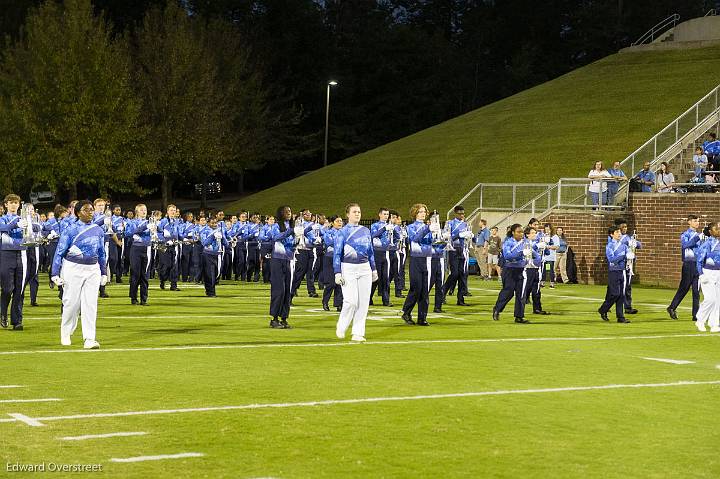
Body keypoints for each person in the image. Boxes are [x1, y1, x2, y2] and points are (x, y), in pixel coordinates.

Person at [51, 200, 106, 348]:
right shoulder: (70, 229)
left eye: (91, 210)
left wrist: (104, 272)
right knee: (71, 303)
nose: (90, 212)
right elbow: (60, 252)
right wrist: (54, 273)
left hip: (93, 269)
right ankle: (66, 331)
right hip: (73, 268)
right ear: (77, 212)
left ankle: (89, 338)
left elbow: (101, 253)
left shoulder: (98, 230)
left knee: (90, 304)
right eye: (86, 210)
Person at [334, 204, 377, 341]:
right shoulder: (342, 232)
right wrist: (337, 272)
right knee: (351, 301)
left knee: (363, 303)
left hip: (364, 268)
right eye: (354, 212)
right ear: (348, 214)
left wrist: (373, 268)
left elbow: (370, 252)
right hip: (348, 268)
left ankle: (358, 332)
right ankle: (342, 326)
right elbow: (337, 253)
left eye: (359, 212)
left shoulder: (366, 230)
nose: (357, 214)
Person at [401, 203, 439, 326]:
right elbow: (415, 239)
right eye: (420, 212)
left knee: (425, 290)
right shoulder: (411, 227)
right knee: (416, 287)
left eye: (424, 212)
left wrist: (440, 237)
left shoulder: (429, 227)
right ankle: (406, 312)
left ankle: (422, 317)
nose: (423, 214)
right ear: (415, 214)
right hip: (416, 259)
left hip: (428, 259)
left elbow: (433, 243)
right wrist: (428, 229)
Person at [0, 194, 34, 330]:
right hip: (6, 254)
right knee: (8, 288)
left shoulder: (25, 218)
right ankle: (3, 313)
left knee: (19, 290)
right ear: (6, 205)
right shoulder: (2, 218)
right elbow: (3, 228)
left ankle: (17, 320)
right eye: (11, 202)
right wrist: (16, 224)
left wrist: (32, 225)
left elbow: (36, 229)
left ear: (19, 205)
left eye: (16, 202)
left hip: (22, 254)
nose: (14, 205)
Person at [492, 224, 531, 323]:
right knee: (508, 292)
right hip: (509, 270)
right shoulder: (508, 242)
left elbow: (529, 256)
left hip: (521, 270)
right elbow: (508, 256)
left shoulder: (526, 242)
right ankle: (497, 309)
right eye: (518, 232)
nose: (521, 234)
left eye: (522, 232)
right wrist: (521, 253)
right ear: (513, 232)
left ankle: (519, 316)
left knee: (521, 294)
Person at [268, 206, 299, 329]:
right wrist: (290, 231)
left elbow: (291, 245)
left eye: (290, 211)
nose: (289, 213)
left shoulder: (291, 227)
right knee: (278, 290)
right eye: (286, 212)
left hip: (289, 260)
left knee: (287, 290)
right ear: (280, 213)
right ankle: (274, 318)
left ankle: (284, 318)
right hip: (277, 260)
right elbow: (275, 238)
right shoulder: (276, 226)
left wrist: (297, 240)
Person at [667, 215, 701, 322]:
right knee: (684, 288)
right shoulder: (685, 234)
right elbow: (685, 245)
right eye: (695, 221)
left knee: (696, 291)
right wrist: (697, 238)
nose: (697, 223)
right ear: (689, 222)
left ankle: (696, 314)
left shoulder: (700, 235)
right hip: (688, 264)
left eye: (698, 221)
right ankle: (672, 307)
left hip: (698, 265)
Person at [598, 225, 631, 323]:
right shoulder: (609, 246)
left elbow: (628, 257)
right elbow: (612, 259)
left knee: (621, 295)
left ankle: (620, 317)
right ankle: (603, 309)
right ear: (611, 235)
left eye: (619, 232)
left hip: (623, 271)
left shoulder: (624, 246)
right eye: (616, 232)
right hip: (613, 271)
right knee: (615, 294)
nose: (619, 234)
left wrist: (631, 255)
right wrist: (623, 256)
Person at [442, 205, 474, 306]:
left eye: (463, 213)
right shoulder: (450, 223)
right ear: (455, 213)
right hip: (453, 249)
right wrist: (458, 235)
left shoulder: (466, 224)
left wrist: (472, 237)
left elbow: (468, 238)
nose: (462, 215)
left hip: (463, 250)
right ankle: (442, 293)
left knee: (462, 274)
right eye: (460, 213)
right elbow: (446, 237)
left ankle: (460, 299)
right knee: (454, 273)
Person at [124, 204, 152, 305]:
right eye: (141, 210)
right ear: (137, 212)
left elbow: (159, 234)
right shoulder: (132, 222)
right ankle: (133, 297)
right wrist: (144, 227)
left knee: (145, 274)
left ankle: (144, 298)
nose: (144, 212)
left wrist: (155, 230)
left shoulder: (151, 222)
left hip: (147, 248)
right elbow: (128, 233)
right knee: (135, 273)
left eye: (145, 209)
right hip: (136, 249)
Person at [695, 222, 720, 332]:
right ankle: (700, 320)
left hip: (718, 273)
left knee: (718, 300)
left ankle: (714, 323)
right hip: (707, 273)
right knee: (710, 299)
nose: (718, 231)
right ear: (710, 232)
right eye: (716, 229)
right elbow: (699, 261)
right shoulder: (706, 244)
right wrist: (701, 275)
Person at [369, 208, 395, 307]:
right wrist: (384, 228)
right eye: (384, 214)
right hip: (377, 253)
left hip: (387, 253)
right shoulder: (374, 225)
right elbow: (373, 235)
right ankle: (369, 298)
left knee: (386, 278)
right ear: (379, 214)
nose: (386, 216)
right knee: (375, 278)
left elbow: (396, 238)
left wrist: (394, 230)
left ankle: (386, 300)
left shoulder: (390, 225)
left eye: (387, 214)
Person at [290, 208, 319, 299]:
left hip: (311, 250)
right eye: (306, 214)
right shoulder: (299, 223)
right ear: (302, 215)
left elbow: (319, 234)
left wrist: (319, 239)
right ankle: (292, 291)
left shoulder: (314, 225)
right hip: (301, 250)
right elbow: (301, 233)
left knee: (310, 272)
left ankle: (311, 291)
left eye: (310, 213)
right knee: (300, 272)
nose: (309, 215)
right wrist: (311, 229)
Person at [521, 226, 547, 316]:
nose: (534, 234)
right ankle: (520, 310)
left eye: (535, 233)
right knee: (527, 289)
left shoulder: (537, 242)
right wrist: (537, 246)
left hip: (537, 267)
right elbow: (529, 251)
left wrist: (544, 247)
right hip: (528, 268)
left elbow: (545, 253)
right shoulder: (525, 242)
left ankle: (537, 308)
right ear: (527, 235)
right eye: (532, 233)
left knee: (536, 289)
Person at [200, 217, 227, 297]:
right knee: (209, 274)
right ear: (208, 223)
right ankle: (211, 292)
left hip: (218, 255)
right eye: (212, 223)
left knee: (217, 274)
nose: (214, 225)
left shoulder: (220, 230)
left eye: (215, 223)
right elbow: (204, 243)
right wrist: (212, 236)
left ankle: (210, 290)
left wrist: (222, 237)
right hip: (208, 254)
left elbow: (226, 244)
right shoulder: (204, 231)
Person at [321, 215, 344, 311]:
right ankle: (325, 301)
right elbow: (328, 242)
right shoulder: (328, 232)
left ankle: (338, 304)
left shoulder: (344, 233)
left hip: (340, 259)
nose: (340, 223)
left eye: (341, 221)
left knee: (340, 282)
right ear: (332, 223)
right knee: (331, 283)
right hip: (330, 258)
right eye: (337, 221)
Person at [541, 223, 559, 288]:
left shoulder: (555, 237)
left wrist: (548, 247)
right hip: (544, 256)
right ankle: (542, 283)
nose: (547, 231)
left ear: (551, 229)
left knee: (550, 270)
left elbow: (557, 247)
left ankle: (552, 283)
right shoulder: (543, 236)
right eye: (546, 229)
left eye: (548, 229)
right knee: (543, 270)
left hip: (550, 257)